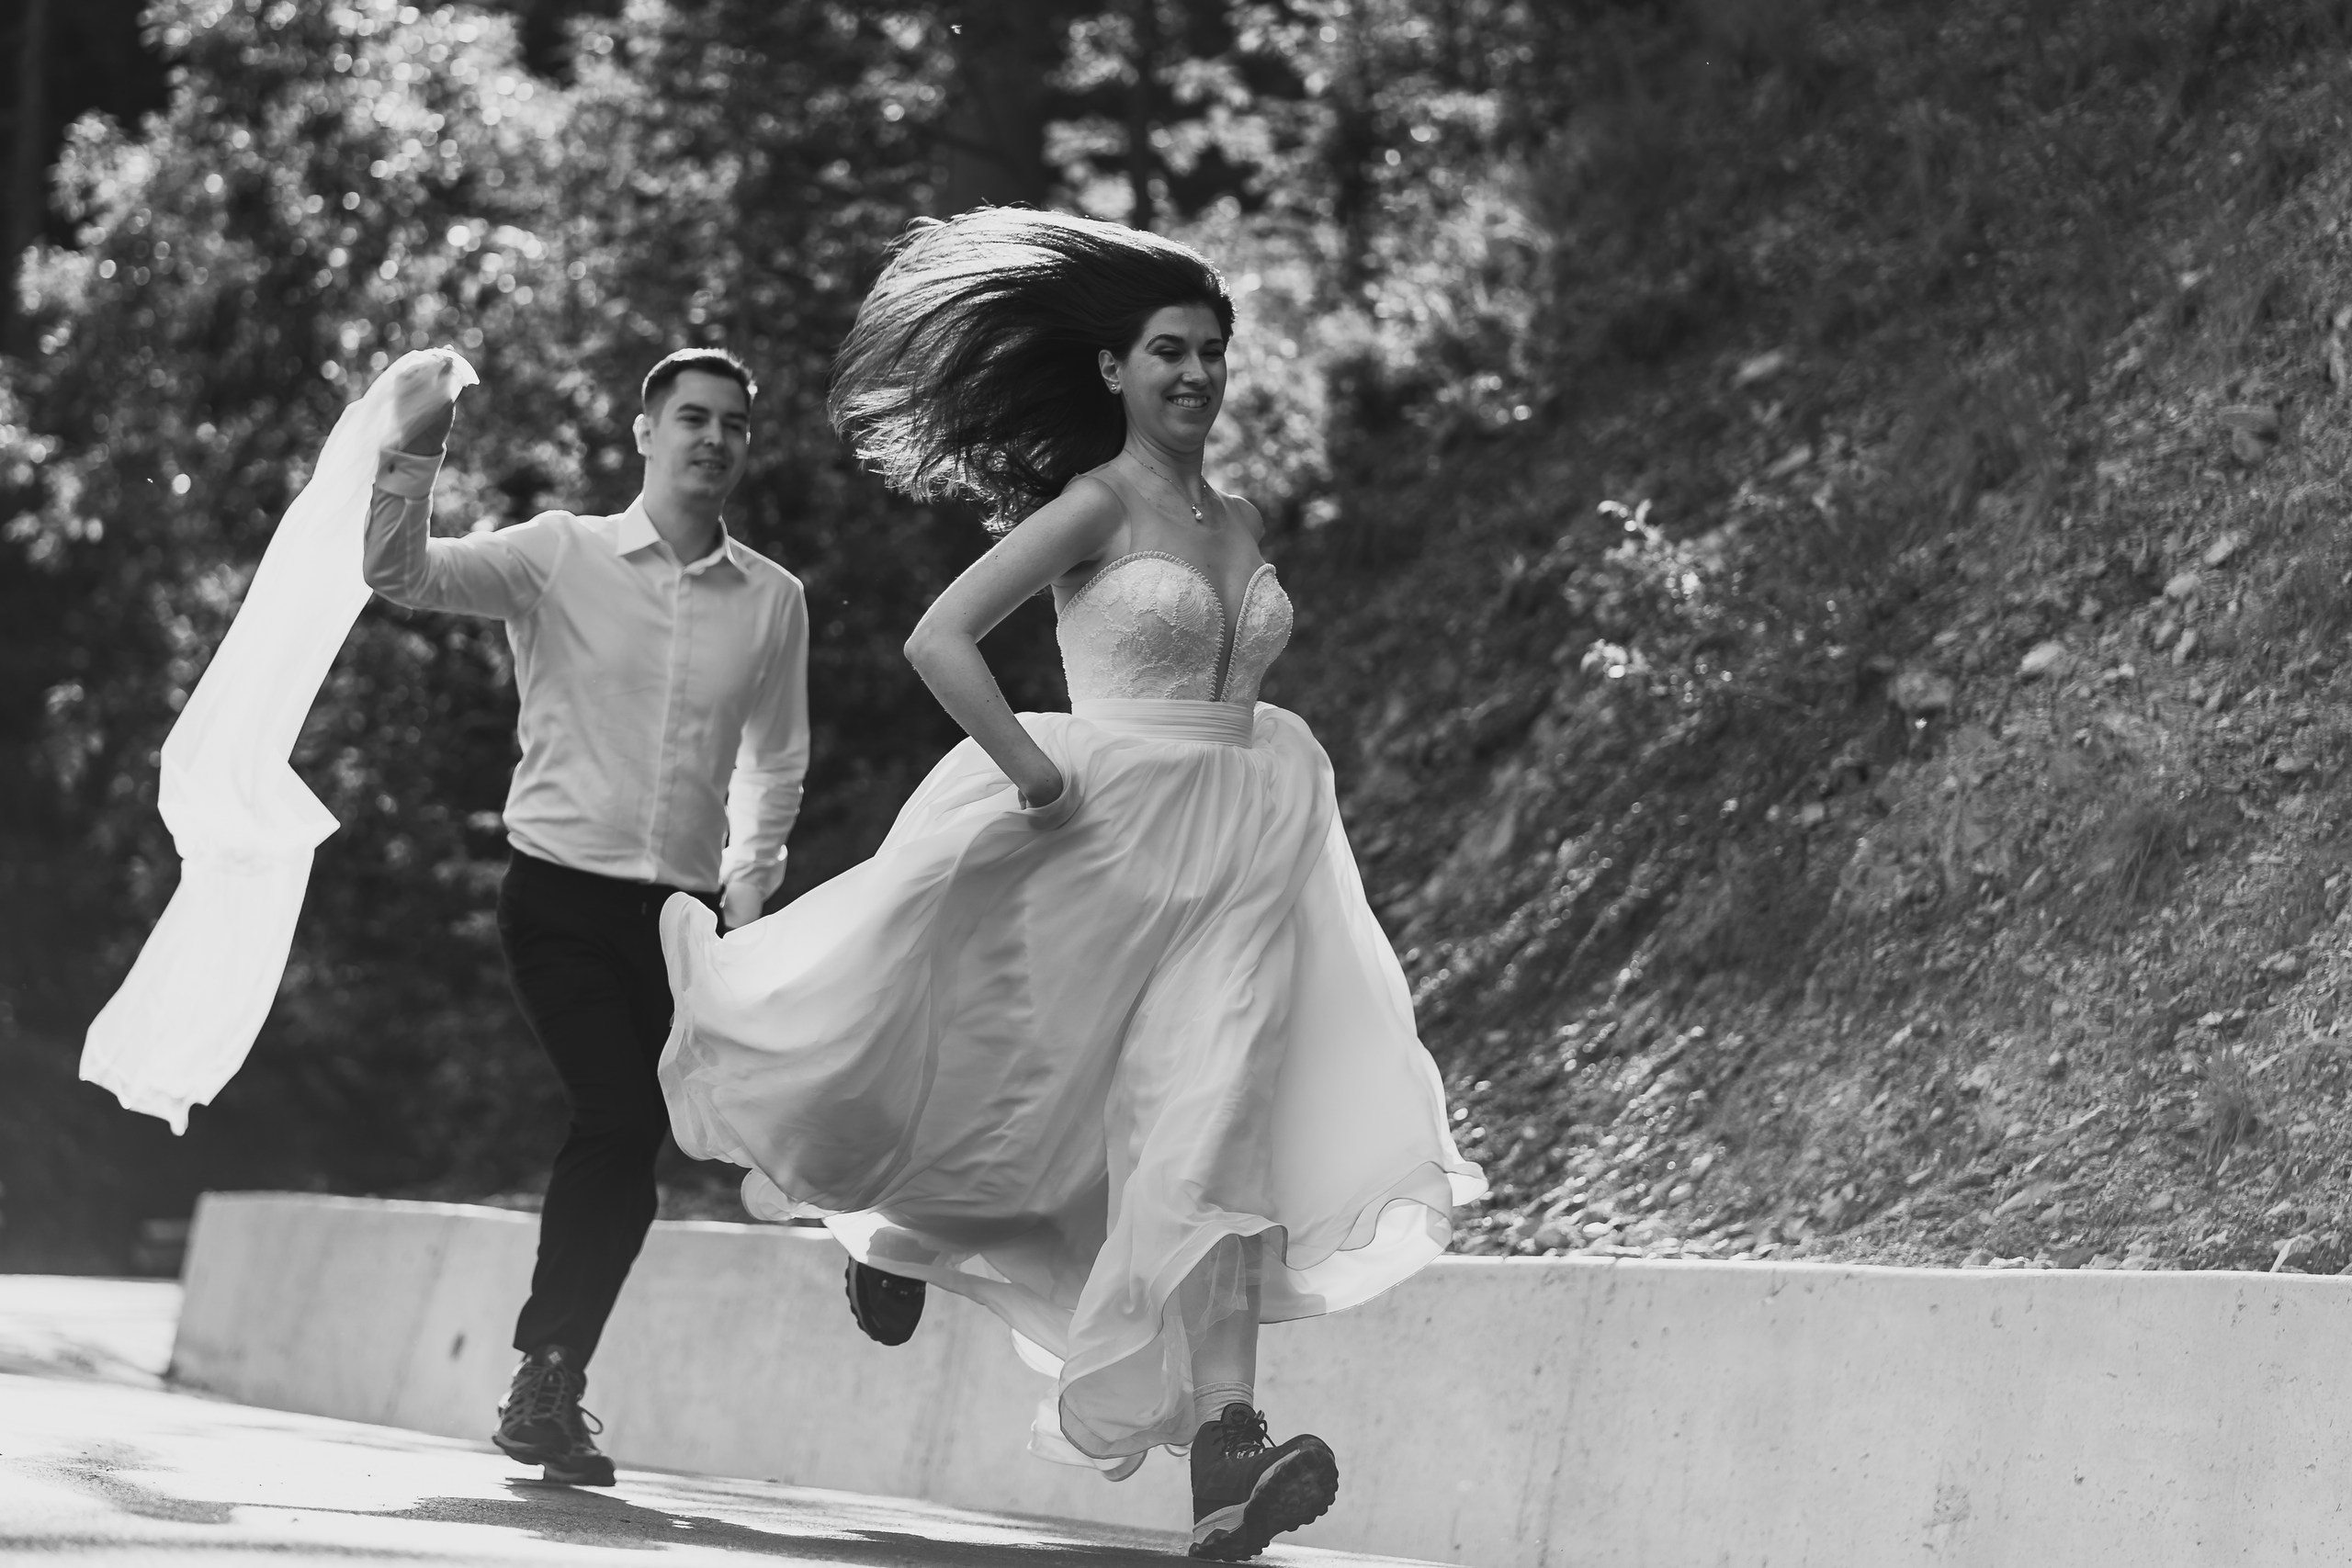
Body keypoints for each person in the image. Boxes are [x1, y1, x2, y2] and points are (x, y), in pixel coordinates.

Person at [656, 209, 1482, 1561]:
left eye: (1210, 350)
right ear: (1113, 369)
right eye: (1167, 351)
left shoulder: (1243, 516)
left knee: (1214, 1126)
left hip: (1246, 845)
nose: (1194, 373)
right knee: (1023, 1093)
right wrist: (1031, 769)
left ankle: (1229, 1451)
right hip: (1103, 835)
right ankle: (893, 1230)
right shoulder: (1097, 504)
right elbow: (941, 637)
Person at [364, 347, 810, 1487]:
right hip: (558, 895)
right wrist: (412, 455)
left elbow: (776, 761)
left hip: (682, 920)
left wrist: (748, 886)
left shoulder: (773, 600)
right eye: (693, 417)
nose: (714, 439)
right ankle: (547, 1376)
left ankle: (554, 1378)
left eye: (734, 424)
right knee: (619, 1117)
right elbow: (401, 574)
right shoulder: (559, 553)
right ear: (645, 432)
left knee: (638, 1138)